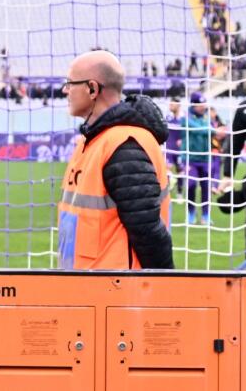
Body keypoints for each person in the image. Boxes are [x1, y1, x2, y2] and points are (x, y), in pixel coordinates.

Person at [57, 50, 173, 270]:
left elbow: (148, 231)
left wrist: (165, 289)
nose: (65, 90)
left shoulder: (124, 145)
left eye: (70, 83)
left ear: (92, 88)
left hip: (118, 294)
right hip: (90, 289)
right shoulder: (94, 140)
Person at [180, 91, 216, 225]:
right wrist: (208, 129)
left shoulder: (206, 117)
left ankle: (206, 215)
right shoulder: (186, 117)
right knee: (191, 185)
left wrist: (210, 129)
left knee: (206, 187)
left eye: (204, 103)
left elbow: (212, 130)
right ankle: (191, 213)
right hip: (190, 159)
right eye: (200, 104)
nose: (203, 106)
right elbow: (201, 130)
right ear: (193, 105)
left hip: (206, 159)